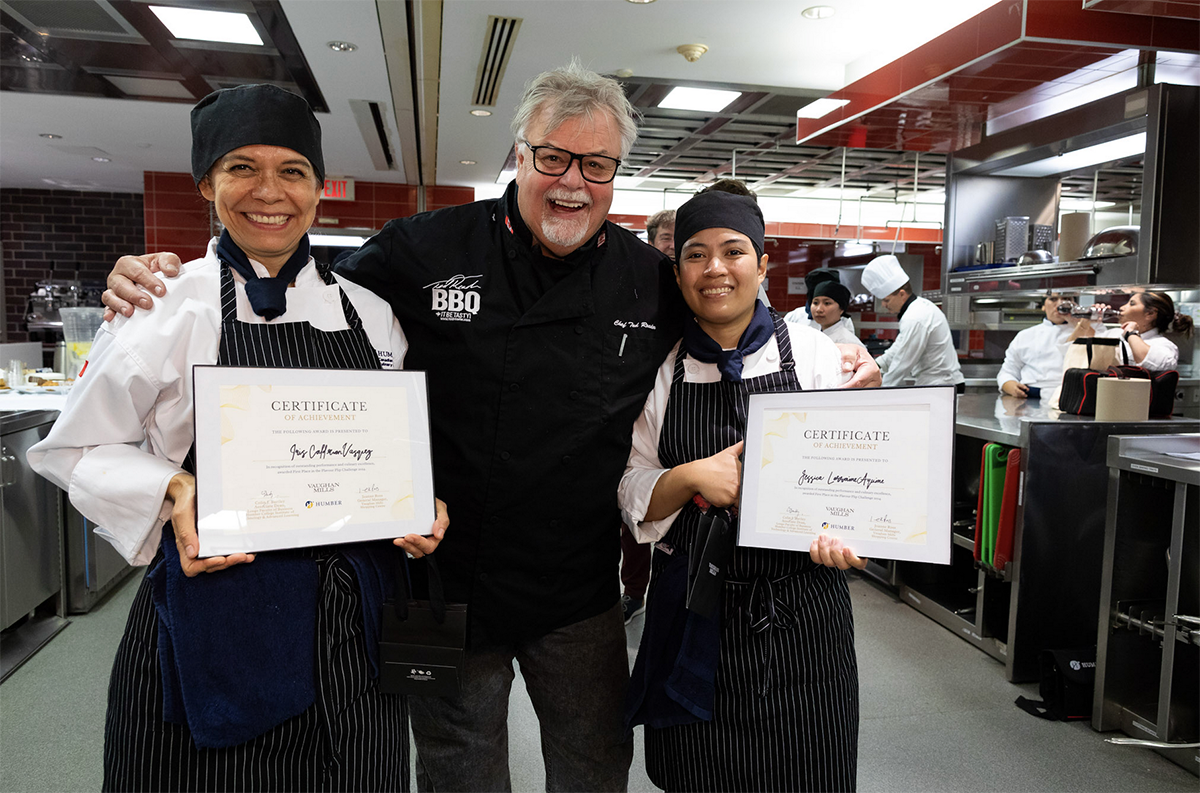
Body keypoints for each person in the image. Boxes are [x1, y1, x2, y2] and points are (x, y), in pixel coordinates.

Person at [100, 63, 881, 793]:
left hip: (578, 591)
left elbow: (729, 320)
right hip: (436, 583)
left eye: (597, 165)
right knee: (453, 767)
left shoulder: (646, 279)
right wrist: (145, 275)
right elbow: (300, 281)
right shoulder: (426, 246)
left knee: (594, 761)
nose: (573, 182)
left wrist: (838, 357)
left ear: (616, 176)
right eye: (553, 158)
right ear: (519, 156)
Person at [27, 84, 446, 792]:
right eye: (241, 168)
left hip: (352, 620)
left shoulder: (369, 314)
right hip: (217, 614)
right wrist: (173, 487)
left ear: (318, 190)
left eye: (292, 170)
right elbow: (70, 449)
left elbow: (389, 444)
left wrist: (416, 504)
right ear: (205, 185)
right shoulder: (163, 305)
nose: (268, 191)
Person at [619, 190, 865, 792]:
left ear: (762, 263)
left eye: (734, 251)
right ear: (677, 274)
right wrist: (690, 477)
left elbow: (853, 478)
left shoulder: (814, 354)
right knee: (697, 774)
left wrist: (852, 533)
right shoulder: (660, 370)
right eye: (695, 255)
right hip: (693, 606)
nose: (715, 269)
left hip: (804, 609)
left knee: (809, 771)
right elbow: (630, 490)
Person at [862, 253, 964, 388]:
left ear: (902, 294)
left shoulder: (915, 317)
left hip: (941, 386)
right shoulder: (918, 308)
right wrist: (875, 365)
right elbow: (898, 349)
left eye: (886, 300)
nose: (884, 305)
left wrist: (881, 390)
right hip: (938, 384)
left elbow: (902, 362)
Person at [1073, 290, 1193, 371]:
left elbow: (1154, 363)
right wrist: (1088, 319)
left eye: (1131, 304)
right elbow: (1085, 347)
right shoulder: (1115, 333)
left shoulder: (1163, 345)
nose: (1122, 307)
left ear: (1150, 313)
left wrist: (1131, 334)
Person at [997, 292, 1079, 398]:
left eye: (1066, 299)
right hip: (1028, 398)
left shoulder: (1086, 332)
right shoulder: (1025, 335)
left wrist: (1080, 323)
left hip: (1069, 398)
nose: (1060, 304)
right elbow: (1007, 371)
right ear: (1043, 306)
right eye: (1053, 299)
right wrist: (1011, 386)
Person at [787, 275, 864, 348]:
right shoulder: (817, 336)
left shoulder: (849, 343)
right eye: (815, 303)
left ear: (841, 309)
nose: (819, 309)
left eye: (827, 303)